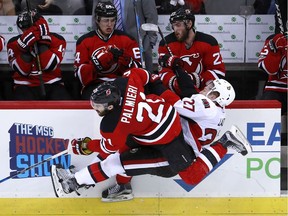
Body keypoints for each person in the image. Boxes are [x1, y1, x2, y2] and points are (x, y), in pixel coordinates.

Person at [50, 67, 252, 198]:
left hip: (174, 151)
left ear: (217, 95)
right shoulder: (217, 112)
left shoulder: (208, 105)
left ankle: (72, 183)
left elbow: (178, 104)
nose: (205, 88)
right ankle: (120, 188)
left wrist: (158, 83)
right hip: (166, 136)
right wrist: (157, 83)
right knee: (123, 150)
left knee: (116, 162)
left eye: (210, 87)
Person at [74, 1, 141, 100]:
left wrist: (128, 62)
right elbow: (79, 76)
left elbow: (139, 71)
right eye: (106, 20)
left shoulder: (128, 40)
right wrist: (96, 65)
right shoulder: (84, 41)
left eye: (112, 20)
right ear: (97, 20)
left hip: (120, 83)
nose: (110, 24)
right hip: (95, 84)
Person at [158, 7, 225, 95]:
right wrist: (177, 84)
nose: (175, 29)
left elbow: (218, 71)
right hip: (176, 95)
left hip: (203, 94)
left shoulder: (209, 42)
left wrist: (197, 80)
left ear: (189, 24)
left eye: (178, 25)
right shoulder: (166, 43)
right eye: (173, 25)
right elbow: (163, 73)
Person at [7, 9, 72, 100]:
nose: (24, 32)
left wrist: (42, 43)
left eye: (27, 28)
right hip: (23, 85)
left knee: (65, 107)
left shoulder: (58, 39)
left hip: (52, 83)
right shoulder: (13, 43)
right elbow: (22, 71)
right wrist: (25, 50)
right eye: (22, 29)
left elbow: (49, 66)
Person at [92, 0, 158, 73]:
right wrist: (97, 39)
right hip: (109, 42)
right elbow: (95, 17)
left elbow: (151, 16)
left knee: (142, 76)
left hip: (138, 42)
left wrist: (149, 41)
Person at [258, 32, 287, 153]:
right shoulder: (274, 39)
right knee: (265, 116)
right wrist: (275, 50)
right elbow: (267, 68)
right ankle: (265, 153)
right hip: (275, 88)